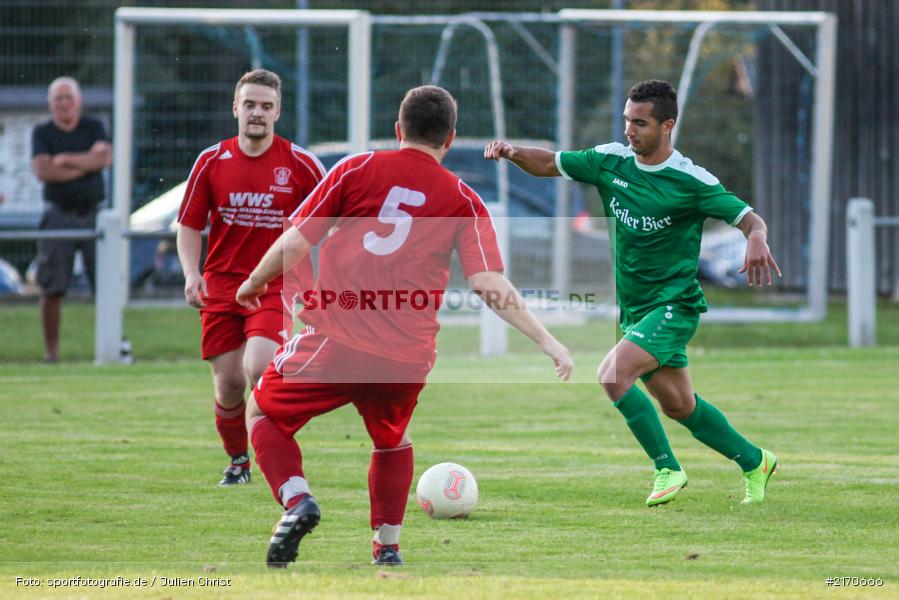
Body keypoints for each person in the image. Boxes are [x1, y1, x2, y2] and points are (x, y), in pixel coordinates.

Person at [235, 85, 573, 568]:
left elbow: (295, 243)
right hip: (405, 356)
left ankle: (297, 501)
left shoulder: (356, 168)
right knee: (392, 440)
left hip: (336, 336)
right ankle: (387, 547)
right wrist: (547, 340)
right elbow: (487, 282)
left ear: (398, 130)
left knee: (263, 415)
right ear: (450, 139)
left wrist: (253, 281)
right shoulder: (463, 197)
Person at [484, 79, 781, 507]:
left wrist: (757, 238)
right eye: (627, 121)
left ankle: (667, 468)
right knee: (680, 407)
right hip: (636, 311)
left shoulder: (691, 180)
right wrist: (513, 153)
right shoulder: (610, 161)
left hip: (674, 306)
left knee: (611, 375)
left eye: (639, 123)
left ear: (667, 126)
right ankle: (756, 461)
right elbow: (549, 162)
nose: (629, 130)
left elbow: (750, 220)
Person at [176, 69, 325, 486]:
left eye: (265, 106)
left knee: (259, 366)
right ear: (235, 108)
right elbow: (188, 226)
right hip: (221, 286)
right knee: (228, 385)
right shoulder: (211, 161)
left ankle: (275, 448)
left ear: (278, 111)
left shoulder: (300, 164)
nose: (256, 113)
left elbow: (327, 223)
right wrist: (191, 274)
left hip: (276, 285)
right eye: (249, 105)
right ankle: (239, 460)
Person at [31, 76, 112, 363]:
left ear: (78, 101)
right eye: (58, 99)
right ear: (51, 104)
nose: (64, 103)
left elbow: (103, 159)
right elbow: (44, 171)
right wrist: (85, 162)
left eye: (68, 97)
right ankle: (51, 354)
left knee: (105, 286)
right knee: (52, 287)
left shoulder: (94, 126)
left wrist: (64, 159)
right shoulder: (42, 132)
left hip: (94, 216)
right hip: (58, 217)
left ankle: (111, 348)